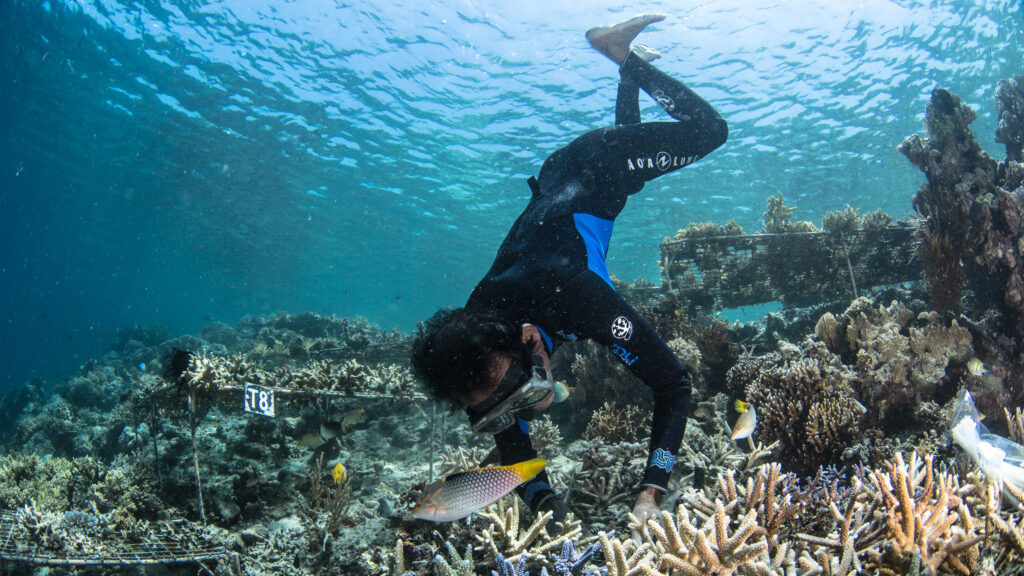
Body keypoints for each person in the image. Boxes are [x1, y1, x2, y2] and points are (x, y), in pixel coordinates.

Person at [411, 14, 728, 525]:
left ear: (531, 337)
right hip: (564, 185)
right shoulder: (483, 346)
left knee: (711, 131)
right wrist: (550, 513)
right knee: (632, 173)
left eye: (525, 394)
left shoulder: (581, 300)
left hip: (591, 165)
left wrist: (651, 493)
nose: (524, 412)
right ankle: (624, 60)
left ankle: (623, 57)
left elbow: (673, 386)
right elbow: (514, 448)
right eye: (495, 411)